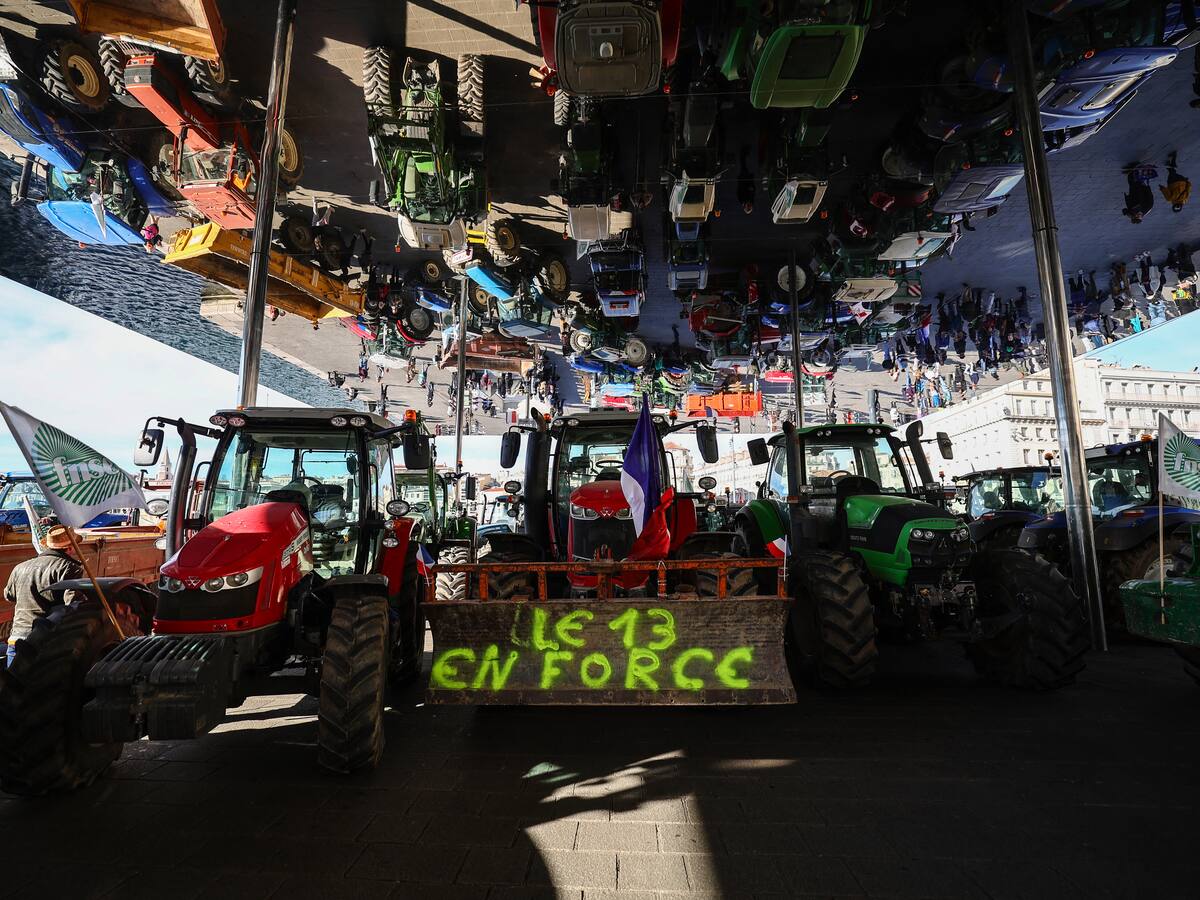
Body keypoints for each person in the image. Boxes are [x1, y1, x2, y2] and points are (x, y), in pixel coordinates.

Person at [4, 526, 84, 666]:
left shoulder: (20, 567)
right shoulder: (69, 568)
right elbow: (73, 605)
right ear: (70, 548)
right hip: (43, 642)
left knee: (12, 685)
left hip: (16, 638)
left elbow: (9, 595)